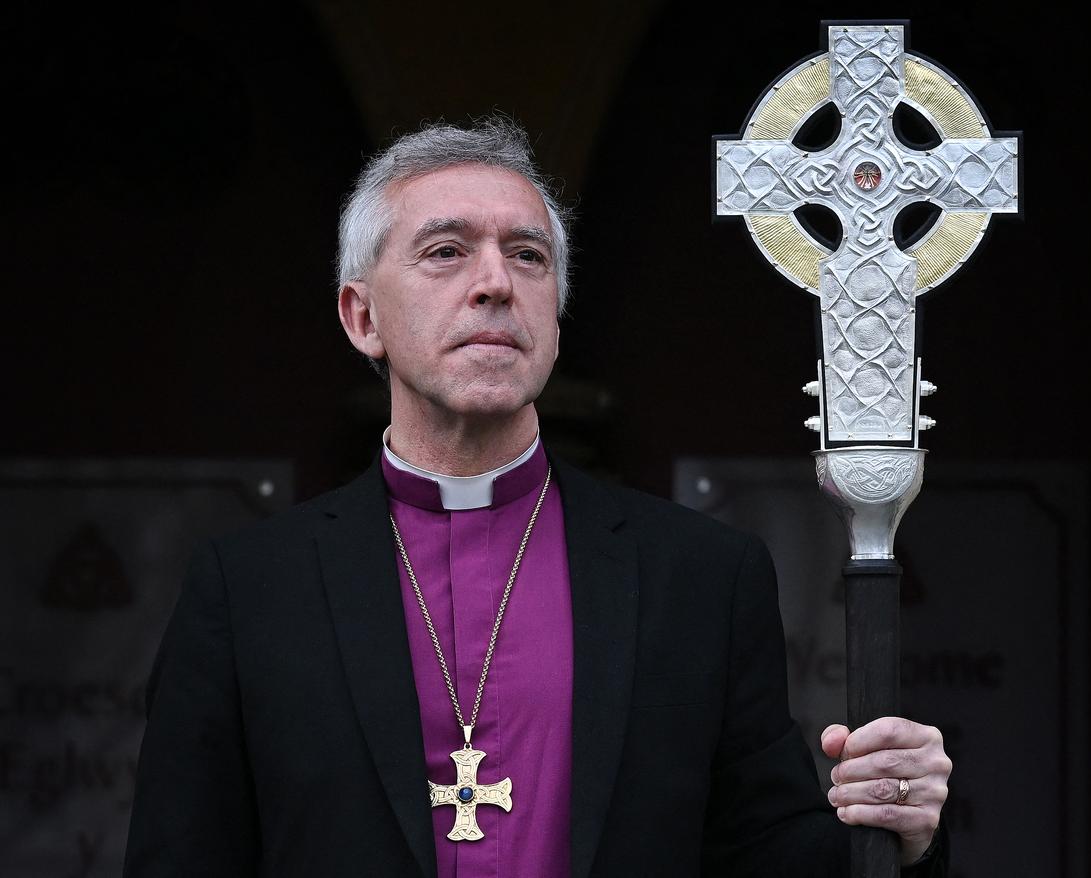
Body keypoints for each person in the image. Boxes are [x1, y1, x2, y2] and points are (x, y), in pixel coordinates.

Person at [123, 118, 952, 877]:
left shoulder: (698, 578)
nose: (495, 283)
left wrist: (896, 831)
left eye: (528, 255)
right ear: (361, 316)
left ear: (556, 315)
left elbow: (764, 859)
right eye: (446, 251)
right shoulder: (249, 589)